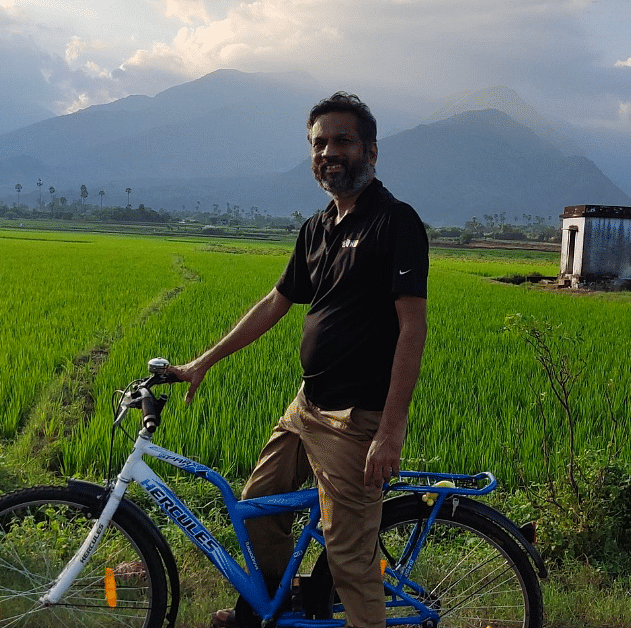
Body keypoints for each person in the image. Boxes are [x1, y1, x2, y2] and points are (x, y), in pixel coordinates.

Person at [170, 92, 428, 628]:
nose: (329, 152)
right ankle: (266, 610)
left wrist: (391, 430)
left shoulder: (395, 222)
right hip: (307, 406)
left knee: (351, 560)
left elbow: (412, 328)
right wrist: (205, 360)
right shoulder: (317, 228)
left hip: (355, 418)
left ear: (372, 151)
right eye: (319, 144)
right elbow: (276, 302)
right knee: (257, 507)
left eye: (342, 140)